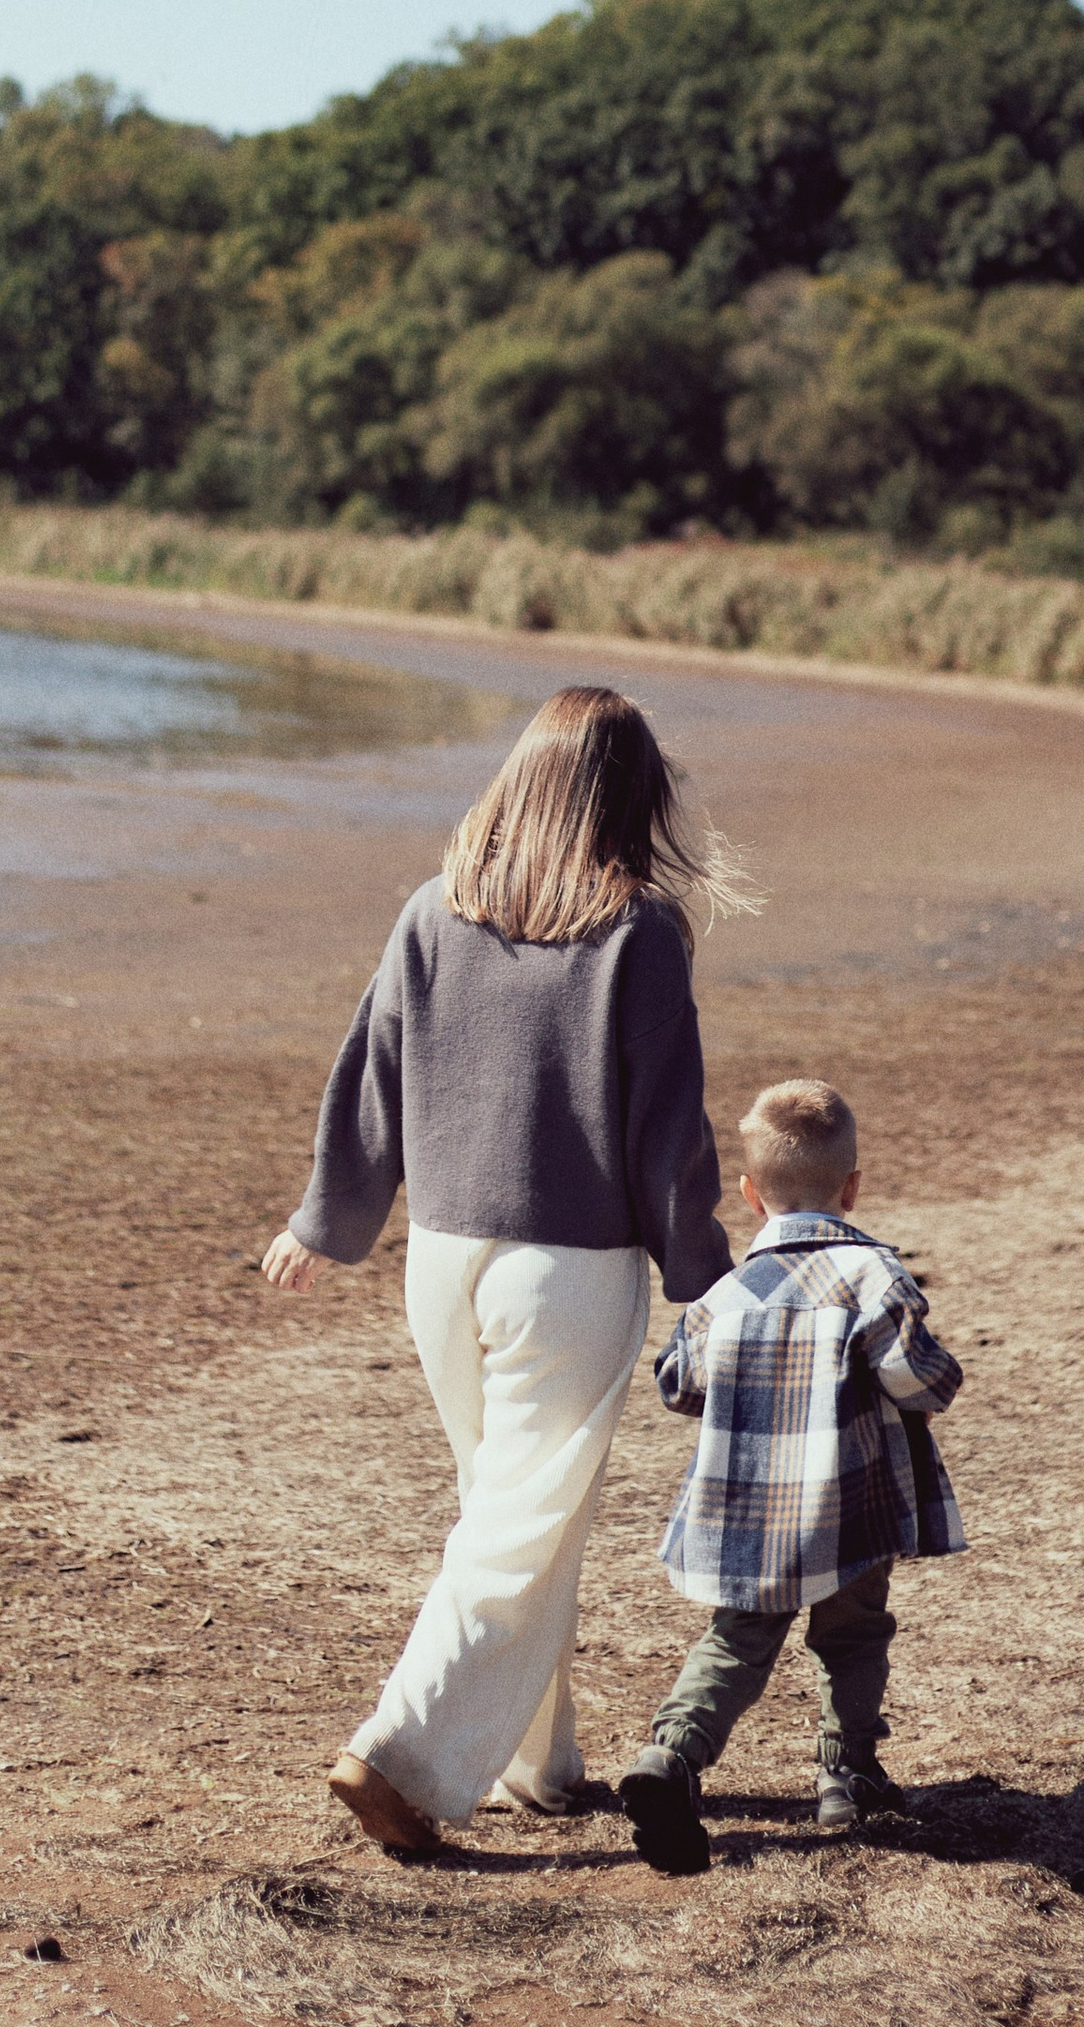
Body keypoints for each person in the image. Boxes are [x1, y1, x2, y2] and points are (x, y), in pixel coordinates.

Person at [261, 685, 735, 1856]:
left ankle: (536, 1764)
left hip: (444, 1262)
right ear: (629, 800)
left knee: (510, 1512)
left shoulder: (434, 910)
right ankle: (400, 1753)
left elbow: (369, 1068)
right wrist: (703, 1277)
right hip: (563, 1272)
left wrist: (328, 1221)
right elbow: (666, 1130)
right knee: (520, 1524)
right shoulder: (641, 932)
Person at [617, 1078, 964, 1876]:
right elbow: (918, 1379)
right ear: (852, 1188)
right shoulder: (874, 1275)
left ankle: (670, 1757)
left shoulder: (727, 1293)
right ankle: (847, 1776)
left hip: (749, 1510)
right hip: (855, 1506)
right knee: (853, 1635)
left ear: (749, 1194)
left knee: (737, 1642)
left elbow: (678, 1383)